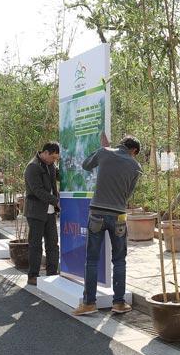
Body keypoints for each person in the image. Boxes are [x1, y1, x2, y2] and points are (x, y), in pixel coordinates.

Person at [73, 134, 143, 316]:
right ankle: (119, 303)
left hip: (97, 212)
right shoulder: (136, 166)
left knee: (91, 259)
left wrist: (101, 148)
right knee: (119, 260)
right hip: (118, 215)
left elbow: (86, 165)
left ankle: (89, 304)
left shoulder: (104, 152)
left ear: (121, 144)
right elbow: (128, 194)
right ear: (134, 151)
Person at [24, 142, 61, 286]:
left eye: (56, 159)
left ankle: (52, 273)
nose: (54, 161)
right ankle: (33, 275)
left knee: (53, 244)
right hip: (35, 212)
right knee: (35, 245)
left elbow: (59, 176)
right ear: (45, 153)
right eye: (53, 158)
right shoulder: (33, 167)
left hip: (50, 212)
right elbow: (37, 191)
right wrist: (56, 201)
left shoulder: (50, 165)